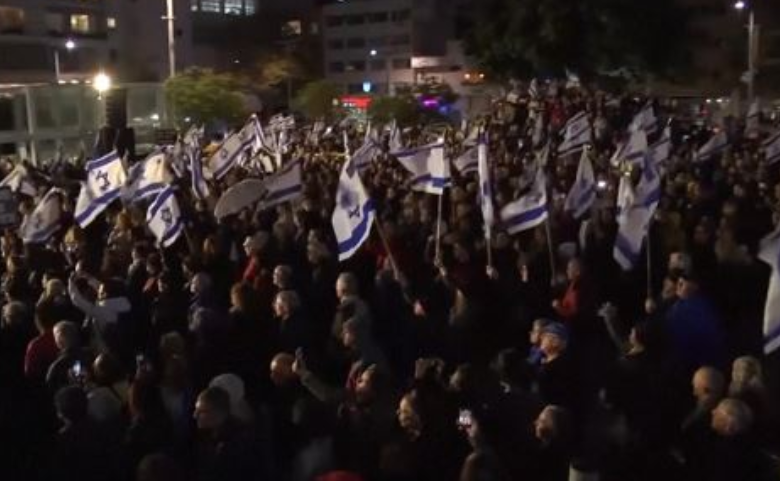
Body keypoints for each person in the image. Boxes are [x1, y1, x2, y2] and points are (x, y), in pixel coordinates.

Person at [193, 386, 263, 480]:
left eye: (201, 411)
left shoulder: (241, 442)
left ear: (217, 413)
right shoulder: (206, 435)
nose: (195, 415)